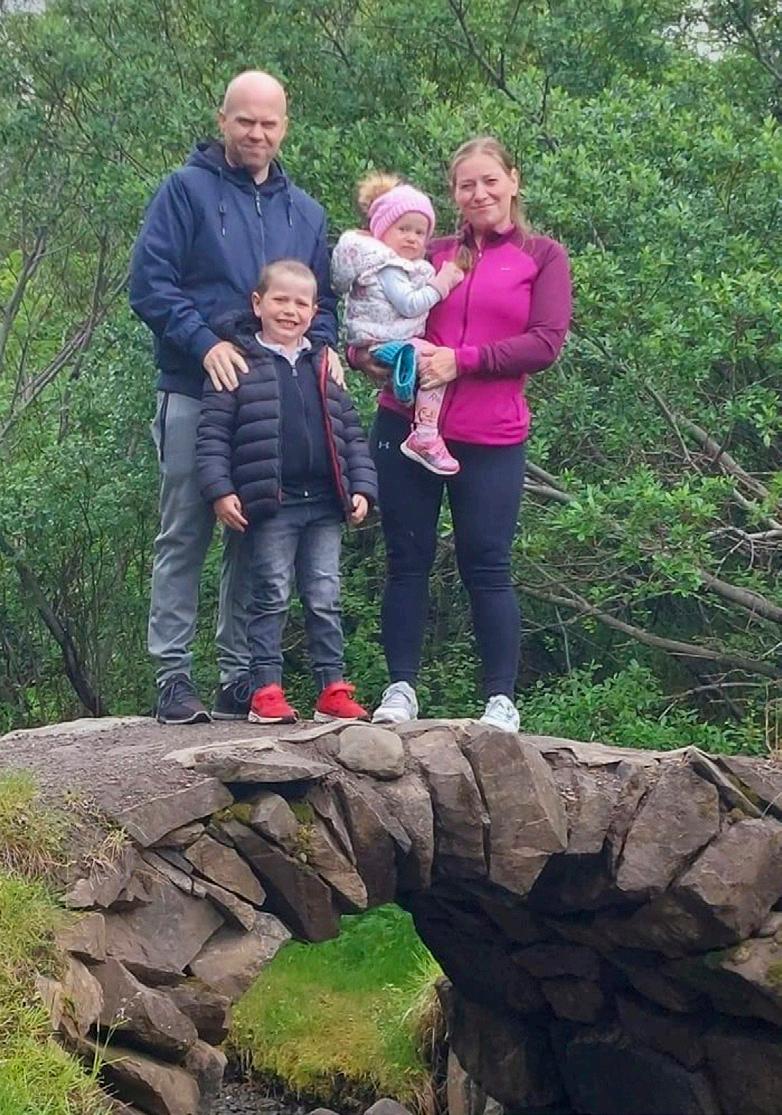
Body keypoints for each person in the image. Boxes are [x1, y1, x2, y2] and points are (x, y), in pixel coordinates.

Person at [129, 71, 339, 725]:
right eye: (245, 120)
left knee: (255, 534)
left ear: (285, 127)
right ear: (222, 120)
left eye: (268, 122)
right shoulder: (184, 191)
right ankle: (172, 676)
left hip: (271, 401)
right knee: (186, 531)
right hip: (195, 387)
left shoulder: (305, 212)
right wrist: (203, 344)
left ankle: (238, 675)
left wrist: (324, 347)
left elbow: (324, 302)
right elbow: (149, 282)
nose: (256, 132)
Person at [361, 136, 572, 732]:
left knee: (487, 564)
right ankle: (400, 688)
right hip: (405, 424)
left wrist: (463, 360)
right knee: (406, 559)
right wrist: (365, 356)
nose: (479, 194)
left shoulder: (542, 255)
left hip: (491, 436)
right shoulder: (429, 252)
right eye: (466, 185)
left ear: (513, 180)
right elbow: (375, 313)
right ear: (453, 193)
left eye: (489, 181)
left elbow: (545, 342)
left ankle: (500, 700)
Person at [196, 260, 377, 724]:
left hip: (325, 504)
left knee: (324, 596)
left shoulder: (324, 364)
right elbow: (212, 435)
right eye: (280, 300)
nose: (290, 311)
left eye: (301, 303)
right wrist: (219, 490)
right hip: (272, 504)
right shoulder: (238, 362)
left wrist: (362, 487)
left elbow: (351, 433)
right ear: (257, 304)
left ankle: (332, 689)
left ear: (315, 311)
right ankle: (266, 691)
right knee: (271, 595)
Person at [331, 173, 464, 475]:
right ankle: (425, 433)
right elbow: (410, 304)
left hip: (383, 338)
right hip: (383, 339)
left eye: (420, 232)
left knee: (423, 357)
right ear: (382, 230)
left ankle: (406, 380)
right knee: (432, 362)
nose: (412, 238)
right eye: (403, 229)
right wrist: (442, 283)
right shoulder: (388, 266)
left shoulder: (397, 265)